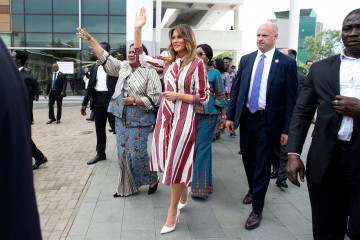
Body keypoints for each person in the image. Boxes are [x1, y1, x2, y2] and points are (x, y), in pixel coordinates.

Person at [132, 8, 209, 234]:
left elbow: (203, 98)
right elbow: (140, 59)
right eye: (173, 37)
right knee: (170, 159)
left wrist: (178, 95)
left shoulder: (197, 64)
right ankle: (183, 193)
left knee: (175, 160)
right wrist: (138, 29)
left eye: (179, 36)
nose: (175, 40)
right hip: (165, 118)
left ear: (188, 39)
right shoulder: (167, 61)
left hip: (185, 120)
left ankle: (172, 211)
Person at [286, 9, 360, 240]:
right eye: (348, 28)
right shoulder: (320, 69)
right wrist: (294, 153)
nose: (353, 33)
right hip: (326, 163)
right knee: (326, 229)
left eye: (359, 27)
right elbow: (301, 112)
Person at [226, 22, 298, 229]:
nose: (260, 38)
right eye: (258, 35)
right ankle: (254, 188)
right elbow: (237, 91)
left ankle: (257, 208)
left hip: (269, 121)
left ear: (275, 36)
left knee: (262, 164)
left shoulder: (285, 63)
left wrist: (287, 129)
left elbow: (290, 100)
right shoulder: (247, 60)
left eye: (265, 35)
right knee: (248, 158)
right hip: (247, 119)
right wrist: (230, 117)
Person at [76, 30, 162, 196]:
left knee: (137, 154)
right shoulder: (123, 67)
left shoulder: (150, 72)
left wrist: (134, 101)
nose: (130, 54)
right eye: (129, 52)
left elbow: (155, 98)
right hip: (120, 116)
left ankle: (152, 178)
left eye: (134, 52)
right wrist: (90, 40)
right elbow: (106, 59)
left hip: (140, 118)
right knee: (123, 153)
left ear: (143, 55)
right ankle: (127, 186)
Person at [0, 38, 42, 240]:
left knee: (24, 143)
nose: (12, 56)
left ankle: (40, 157)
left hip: (19, 123)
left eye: (14, 56)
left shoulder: (20, 75)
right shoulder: (9, 67)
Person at [189, 44, 228, 199]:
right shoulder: (189, 71)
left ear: (208, 57)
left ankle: (200, 188)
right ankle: (198, 182)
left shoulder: (215, 73)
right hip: (191, 115)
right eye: (196, 53)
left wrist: (223, 117)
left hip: (209, 115)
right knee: (192, 149)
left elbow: (220, 95)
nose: (198, 55)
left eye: (201, 53)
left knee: (202, 149)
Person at [81, 42, 117, 165]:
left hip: (111, 100)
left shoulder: (114, 66)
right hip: (97, 100)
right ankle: (100, 154)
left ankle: (124, 155)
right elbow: (90, 85)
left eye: (101, 50)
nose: (98, 52)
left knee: (116, 128)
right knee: (99, 128)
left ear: (108, 52)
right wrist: (84, 103)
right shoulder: (95, 66)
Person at [11, 50, 49, 170]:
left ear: (18, 60)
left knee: (21, 138)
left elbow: (27, 102)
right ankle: (39, 157)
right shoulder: (13, 75)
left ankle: (38, 157)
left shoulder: (25, 78)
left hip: (19, 115)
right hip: (11, 114)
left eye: (11, 56)